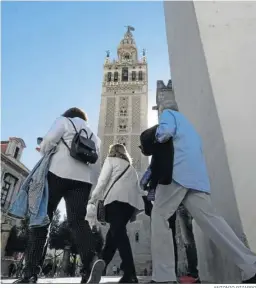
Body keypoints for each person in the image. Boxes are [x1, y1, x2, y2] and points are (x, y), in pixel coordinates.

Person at [150, 102, 256, 283]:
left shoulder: (168, 114)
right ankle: (250, 265)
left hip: (178, 174)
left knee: (159, 216)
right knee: (213, 222)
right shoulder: (191, 129)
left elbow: (164, 133)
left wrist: (155, 137)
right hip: (196, 179)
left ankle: (163, 276)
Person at [13, 107, 104, 284]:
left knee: (42, 220)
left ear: (69, 114)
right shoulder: (95, 136)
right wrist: (90, 188)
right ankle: (90, 261)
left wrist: (44, 149)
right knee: (78, 221)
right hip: (83, 181)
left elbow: (48, 142)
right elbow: (96, 166)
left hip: (57, 174)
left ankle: (30, 272)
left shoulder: (64, 121)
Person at [87, 144, 144, 283]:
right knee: (113, 235)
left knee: (118, 233)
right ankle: (102, 263)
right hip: (130, 205)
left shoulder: (110, 160)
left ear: (112, 151)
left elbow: (102, 181)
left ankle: (130, 273)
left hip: (115, 201)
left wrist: (93, 198)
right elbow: (136, 189)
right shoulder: (131, 168)